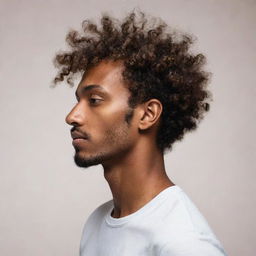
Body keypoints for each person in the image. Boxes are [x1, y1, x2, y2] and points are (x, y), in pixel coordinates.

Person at [53, 10, 227, 256]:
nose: (72, 116)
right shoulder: (96, 224)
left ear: (147, 115)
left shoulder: (185, 243)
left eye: (94, 100)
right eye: (78, 100)